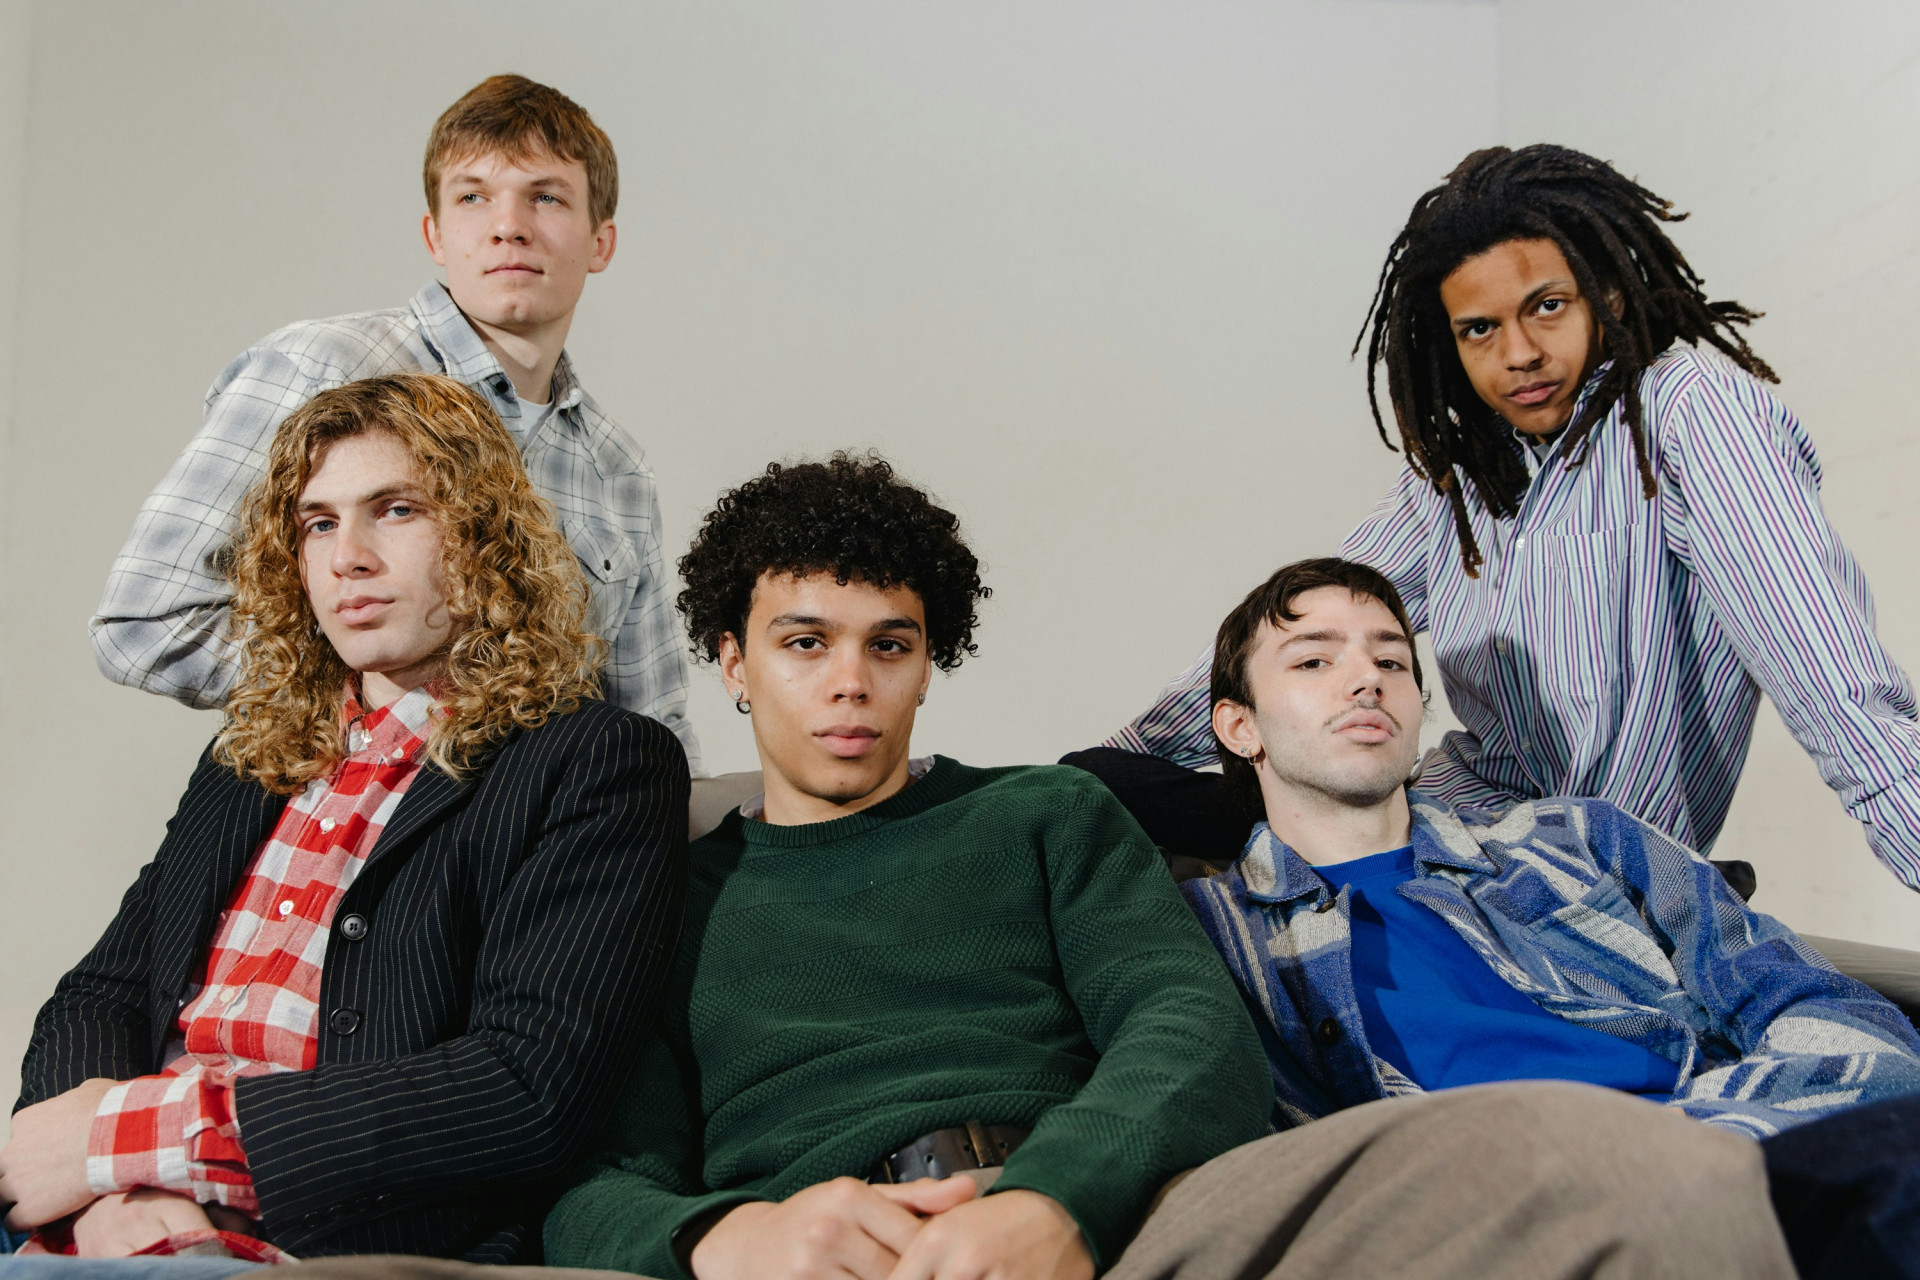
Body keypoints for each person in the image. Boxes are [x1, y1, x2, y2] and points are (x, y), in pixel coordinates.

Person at [543, 454, 1792, 1280]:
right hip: (819, 1240)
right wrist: (728, 1239)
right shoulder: (670, 894)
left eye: (892, 644)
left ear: (931, 660)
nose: (850, 682)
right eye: (805, 642)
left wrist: (1054, 1197)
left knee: (1605, 1162)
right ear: (733, 659)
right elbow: (597, 1174)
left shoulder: (1042, 813)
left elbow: (1187, 1026)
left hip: (1119, 1214)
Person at [0, 374, 689, 1266]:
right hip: (116, 1213)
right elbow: (102, 994)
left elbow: (525, 1089)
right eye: (318, 523)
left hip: (324, 1236)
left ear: (484, 535)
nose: (347, 558)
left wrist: (117, 1144)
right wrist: (110, 1201)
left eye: (396, 510)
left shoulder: (595, 761)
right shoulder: (250, 757)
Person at [1103, 143, 1920, 892]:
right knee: (1102, 793)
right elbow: (1288, 631)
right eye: (1480, 329)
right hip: (1436, 827)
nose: (1520, 353)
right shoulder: (1462, 474)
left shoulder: (1690, 417)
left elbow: (1840, 693)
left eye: (1548, 306)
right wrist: (1121, 761)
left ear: (1604, 294)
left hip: (1582, 873)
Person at [1183, 556, 1920, 1277]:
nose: (1367, 679)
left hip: (1742, 1155)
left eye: (1393, 661)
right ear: (1240, 727)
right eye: (1313, 661)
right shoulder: (1206, 938)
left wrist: (1701, 1136)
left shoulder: (1579, 838)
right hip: (1502, 1223)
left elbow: (1827, 1008)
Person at [90, 73, 701, 770]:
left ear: (600, 242)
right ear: (434, 234)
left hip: (537, 835)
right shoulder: (323, 368)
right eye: (473, 196)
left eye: (546, 196)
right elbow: (145, 621)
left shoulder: (617, 468)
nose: (508, 225)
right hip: (354, 816)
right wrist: (372, 713)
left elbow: (652, 723)